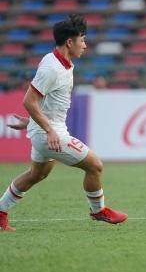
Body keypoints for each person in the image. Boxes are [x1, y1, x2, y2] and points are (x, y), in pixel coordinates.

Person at [0, 14, 127, 231]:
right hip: (51, 134)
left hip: (46, 129)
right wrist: (48, 131)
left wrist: (31, 123)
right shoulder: (52, 68)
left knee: (36, 175)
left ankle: (1, 211)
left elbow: (44, 102)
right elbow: (28, 101)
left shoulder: (63, 63)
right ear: (70, 42)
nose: (85, 45)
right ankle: (98, 211)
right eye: (82, 39)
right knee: (95, 166)